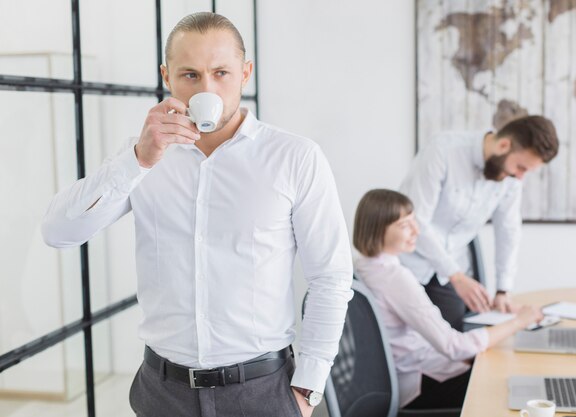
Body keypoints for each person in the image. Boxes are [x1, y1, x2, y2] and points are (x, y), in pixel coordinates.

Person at [42, 12, 353, 417]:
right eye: (190, 75)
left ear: (245, 73)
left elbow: (331, 276)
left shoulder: (294, 157)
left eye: (221, 72)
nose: (207, 88)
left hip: (263, 391)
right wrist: (138, 160)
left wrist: (308, 390)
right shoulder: (140, 157)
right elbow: (58, 231)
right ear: (167, 77)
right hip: (162, 392)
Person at [353, 189, 543, 410]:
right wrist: (521, 321)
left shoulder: (363, 266)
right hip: (417, 386)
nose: (417, 230)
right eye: (405, 225)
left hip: (403, 375)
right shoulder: (395, 278)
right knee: (506, 380)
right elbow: (453, 346)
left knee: (490, 361)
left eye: (415, 221)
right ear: (378, 230)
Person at [398, 116, 559, 330]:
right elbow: (417, 221)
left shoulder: (511, 179)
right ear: (504, 145)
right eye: (520, 167)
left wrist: (503, 290)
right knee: (411, 343)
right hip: (409, 264)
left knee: (461, 339)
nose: (520, 177)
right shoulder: (443, 151)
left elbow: (508, 231)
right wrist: (456, 276)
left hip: (450, 271)